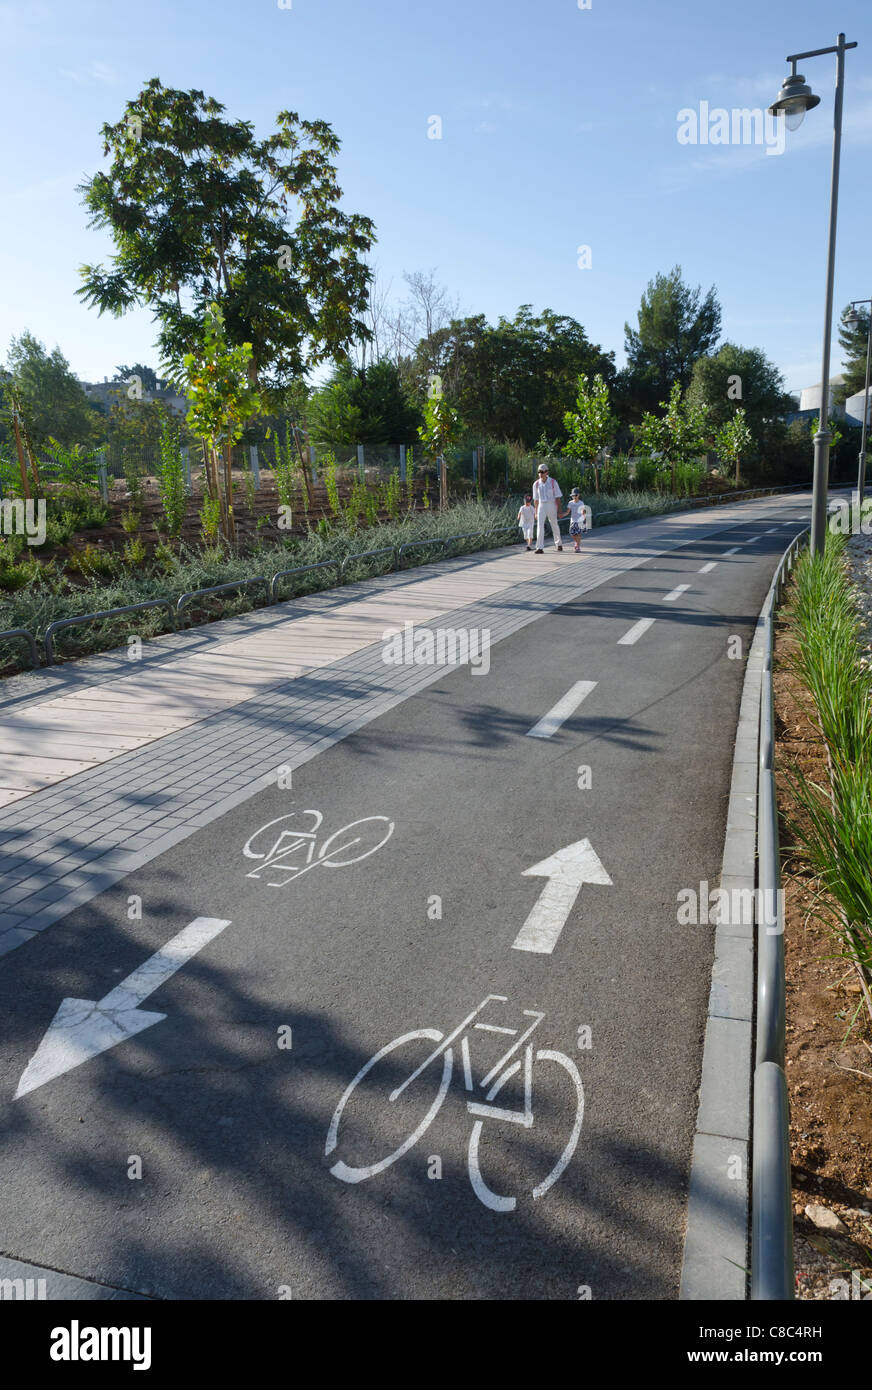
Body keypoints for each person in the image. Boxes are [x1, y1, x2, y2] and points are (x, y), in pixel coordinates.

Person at [532, 463, 563, 553]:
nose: (540, 474)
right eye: (539, 472)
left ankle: (559, 544)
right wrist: (536, 512)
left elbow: (557, 497)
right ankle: (539, 547)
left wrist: (560, 511)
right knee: (540, 526)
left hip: (551, 504)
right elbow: (536, 500)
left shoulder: (553, 482)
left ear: (547, 472)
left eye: (542, 472)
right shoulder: (536, 484)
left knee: (554, 524)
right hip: (541, 505)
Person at [566, 487, 588, 552]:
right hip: (572, 521)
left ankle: (578, 547)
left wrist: (584, 520)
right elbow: (568, 511)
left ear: (578, 495)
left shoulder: (581, 503)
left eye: (575, 495)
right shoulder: (570, 503)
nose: (574, 497)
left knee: (578, 534)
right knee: (572, 533)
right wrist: (562, 515)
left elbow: (583, 512)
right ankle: (576, 542)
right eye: (573, 495)